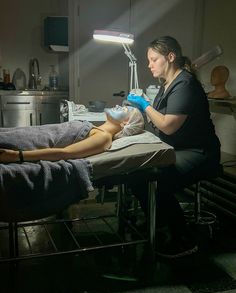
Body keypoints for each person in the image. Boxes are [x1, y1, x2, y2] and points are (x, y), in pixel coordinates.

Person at [127, 36, 221, 258]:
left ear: (170, 57)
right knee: (135, 174)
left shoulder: (185, 84)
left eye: (153, 59)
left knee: (156, 180)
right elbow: (157, 119)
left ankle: (184, 239)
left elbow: (168, 126)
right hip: (177, 148)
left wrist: (144, 104)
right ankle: (158, 222)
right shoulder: (167, 84)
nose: (149, 65)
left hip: (199, 153)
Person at [0, 105, 144, 163]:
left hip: (29, 142)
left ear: (126, 123)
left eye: (124, 109)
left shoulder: (104, 137)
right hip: (27, 133)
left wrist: (16, 156)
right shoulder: (96, 129)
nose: (119, 105)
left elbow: (65, 153)